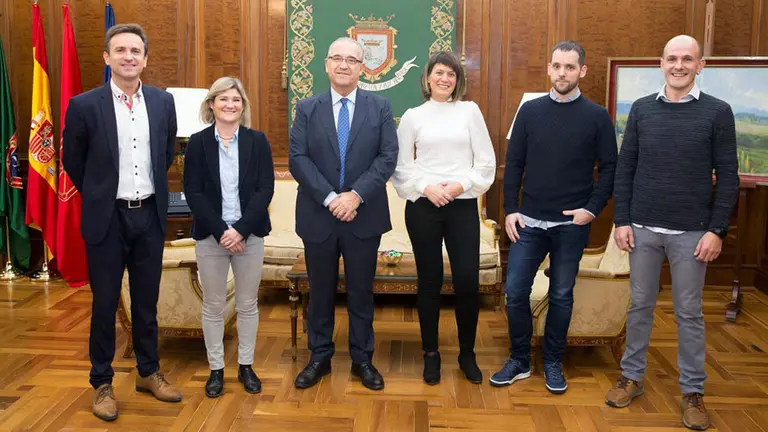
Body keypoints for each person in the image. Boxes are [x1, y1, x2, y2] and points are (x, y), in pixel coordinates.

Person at [605, 35, 739, 431]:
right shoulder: (642, 109)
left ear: (700, 65)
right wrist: (621, 220)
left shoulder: (718, 112)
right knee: (639, 306)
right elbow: (625, 168)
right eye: (671, 59)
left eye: (687, 59)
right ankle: (631, 378)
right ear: (661, 63)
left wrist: (717, 230)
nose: (678, 65)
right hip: (642, 229)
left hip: (692, 234)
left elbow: (728, 177)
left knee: (689, 313)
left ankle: (693, 392)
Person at [62, 23, 182, 421]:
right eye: (121, 50)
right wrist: (99, 193)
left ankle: (148, 371)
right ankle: (102, 383)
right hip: (107, 219)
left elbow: (166, 154)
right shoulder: (84, 105)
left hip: (148, 215)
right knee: (104, 304)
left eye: (135, 51)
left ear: (145, 59)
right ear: (107, 57)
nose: (128, 56)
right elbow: (73, 161)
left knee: (146, 303)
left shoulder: (163, 102)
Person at [490, 41, 617, 394]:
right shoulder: (529, 112)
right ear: (549, 68)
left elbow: (610, 168)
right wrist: (511, 210)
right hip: (528, 223)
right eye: (557, 66)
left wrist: (591, 209)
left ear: (582, 71)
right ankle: (519, 360)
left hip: (571, 226)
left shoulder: (597, 116)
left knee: (561, 295)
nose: (562, 73)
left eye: (570, 67)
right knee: (515, 292)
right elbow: (514, 164)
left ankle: (552, 362)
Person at [288, 36, 398, 391]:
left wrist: (354, 196)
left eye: (352, 60)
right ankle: (319, 357)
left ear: (362, 68)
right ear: (326, 64)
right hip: (318, 214)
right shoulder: (307, 108)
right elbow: (298, 159)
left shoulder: (380, 107)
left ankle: (362, 359)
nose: (344, 65)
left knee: (361, 292)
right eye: (337, 58)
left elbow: (387, 157)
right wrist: (331, 198)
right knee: (319, 293)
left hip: (363, 215)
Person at [391, 51, 495, 385]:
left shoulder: (470, 111)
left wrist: (461, 185)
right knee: (429, 281)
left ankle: (467, 354)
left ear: (457, 80)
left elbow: (486, 161)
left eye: (451, 74)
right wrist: (426, 187)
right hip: (424, 207)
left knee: (467, 281)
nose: (445, 79)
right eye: (439, 72)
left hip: (462, 205)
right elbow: (401, 166)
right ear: (427, 77)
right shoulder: (413, 116)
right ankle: (431, 354)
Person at [183, 77, 274, 398]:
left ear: (242, 105)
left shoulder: (257, 141)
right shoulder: (197, 143)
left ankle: (246, 366)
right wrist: (223, 232)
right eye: (223, 99)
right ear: (211, 104)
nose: (230, 105)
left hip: (250, 235)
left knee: (248, 304)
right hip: (212, 237)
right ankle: (216, 369)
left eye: (236, 99)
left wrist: (241, 230)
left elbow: (265, 189)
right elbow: (193, 191)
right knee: (213, 305)